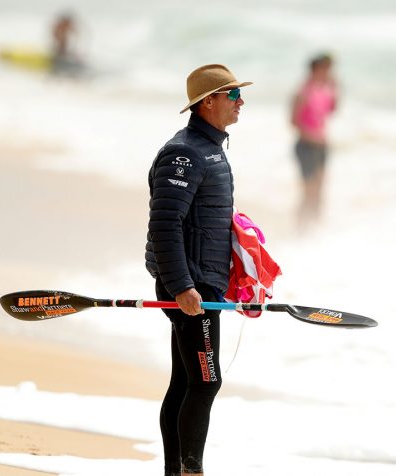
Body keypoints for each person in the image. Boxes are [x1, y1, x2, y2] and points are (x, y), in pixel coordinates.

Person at [145, 64, 252, 476]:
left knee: (187, 381)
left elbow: (204, 218)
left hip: (206, 284)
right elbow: (164, 224)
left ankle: (177, 471)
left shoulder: (210, 148)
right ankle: (191, 470)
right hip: (191, 289)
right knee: (206, 381)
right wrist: (182, 286)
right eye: (233, 95)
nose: (241, 101)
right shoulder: (185, 153)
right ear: (208, 102)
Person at [290, 53, 338, 227]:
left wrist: (335, 87)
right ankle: (300, 227)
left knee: (320, 191)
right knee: (308, 192)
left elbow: (333, 109)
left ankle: (315, 228)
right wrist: (312, 136)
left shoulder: (325, 89)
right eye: (326, 69)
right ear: (316, 69)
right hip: (306, 146)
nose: (329, 72)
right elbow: (293, 121)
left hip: (322, 146)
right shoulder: (302, 92)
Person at [50, 11, 85, 77]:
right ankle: (58, 68)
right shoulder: (60, 26)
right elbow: (56, 36)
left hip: (63, 46)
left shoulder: (66, 25)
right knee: (60, 52)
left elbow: (76, 33)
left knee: (65, 52)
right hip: (59, 46)